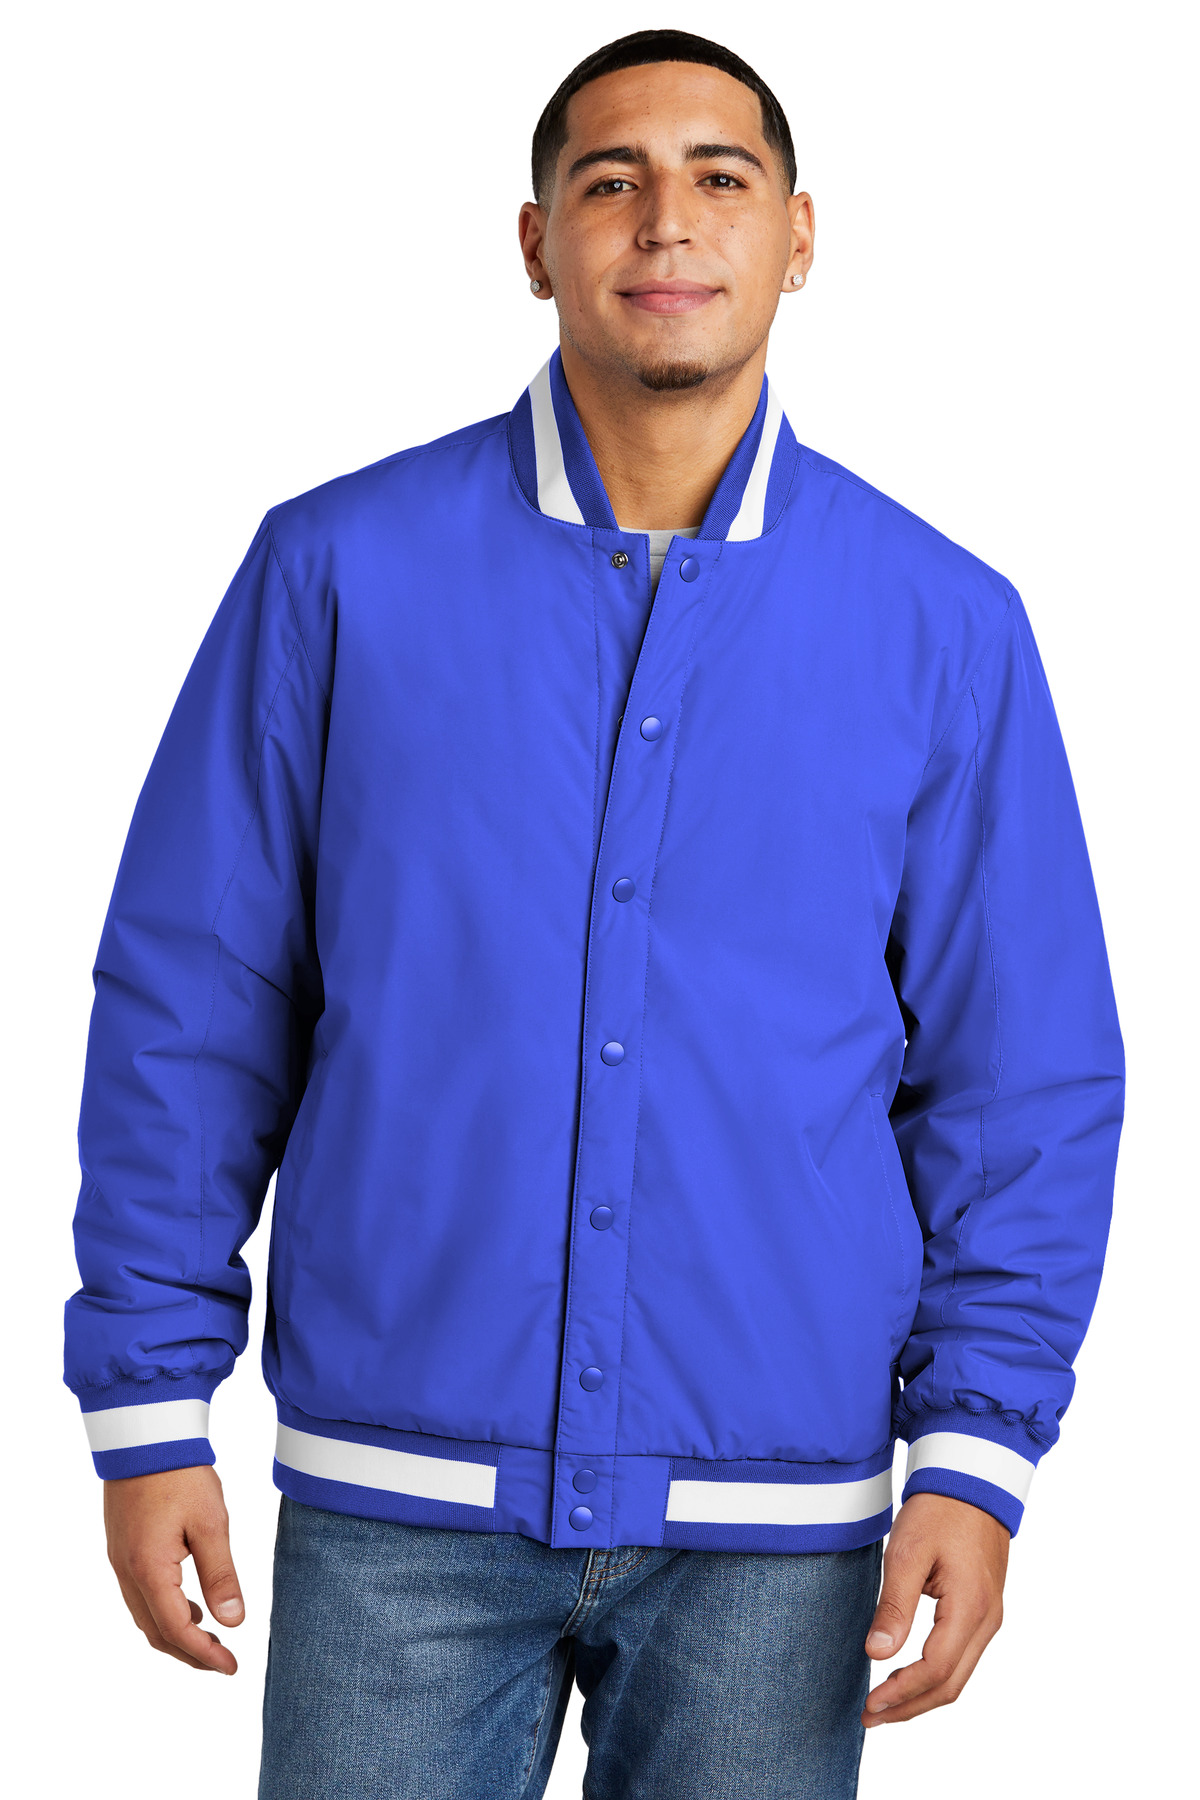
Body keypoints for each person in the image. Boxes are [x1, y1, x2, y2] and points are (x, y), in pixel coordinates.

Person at [64, 27, 1125, 1800]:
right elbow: (196, 997)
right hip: (398, 1504)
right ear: (536, 239)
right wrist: (149, 1398)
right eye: (611, 180)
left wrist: (978, 1449)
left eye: (721, 178)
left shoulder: (944, 623)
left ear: (799, 237)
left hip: (777, 1527)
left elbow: (1022, 1076)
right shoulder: (335, 571)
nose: (666, 221)